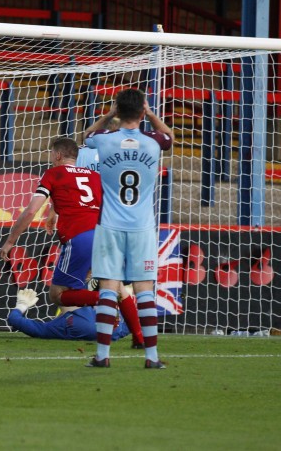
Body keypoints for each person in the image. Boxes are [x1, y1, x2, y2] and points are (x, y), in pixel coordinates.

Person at [83, 88, 174, 368]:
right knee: (144, 290)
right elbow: (170, 137)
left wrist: (108, 115)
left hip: (109, 225)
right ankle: (152, 358)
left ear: (118, 112)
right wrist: (152, 114)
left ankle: (102, 356)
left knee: (108, 289)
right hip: (143, 228)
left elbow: (84, 138)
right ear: (142, 111)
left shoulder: (105, 141)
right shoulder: (153, 142)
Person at [0, 137, 102, 309]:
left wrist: (10, 241)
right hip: (103, 236)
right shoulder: (94, 176)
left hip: (78, 238)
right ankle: (102, 313)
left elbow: (31, 211)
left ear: (58, 155)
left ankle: (107, 301)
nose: (51, 157)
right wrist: (54, 211)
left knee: (57, 294)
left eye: (52, 153)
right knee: (83, 282)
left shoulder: (53, 174)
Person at [8, 289, 131, 342]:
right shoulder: (118, 322)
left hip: (82, 326)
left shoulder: (60, 327)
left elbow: (13, 319)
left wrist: (22, 305)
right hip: (113, 328)